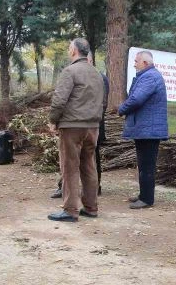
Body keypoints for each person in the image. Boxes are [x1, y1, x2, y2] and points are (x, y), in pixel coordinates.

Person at [47, 38, 105, 222]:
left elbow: (59, 100)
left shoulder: (70, 71)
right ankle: (91, 207)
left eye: (68, 47)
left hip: (72, 127)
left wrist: (52, 121)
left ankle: (70, 210)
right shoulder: (97, 73)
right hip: (93, 127)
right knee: (89, 166)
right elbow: (102, 101)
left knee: (69, 167)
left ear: (73, 50)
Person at [117, 50, 168, 209]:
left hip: (149, 131)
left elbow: (136, 99)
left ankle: (147, 199)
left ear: (145, 63)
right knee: (144, 164)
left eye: (136, 61)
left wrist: (121, 109)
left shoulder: (150, 77)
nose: (134, 64)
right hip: (146, 129)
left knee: (147, 165)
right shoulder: (149, 76)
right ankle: (143, 194)